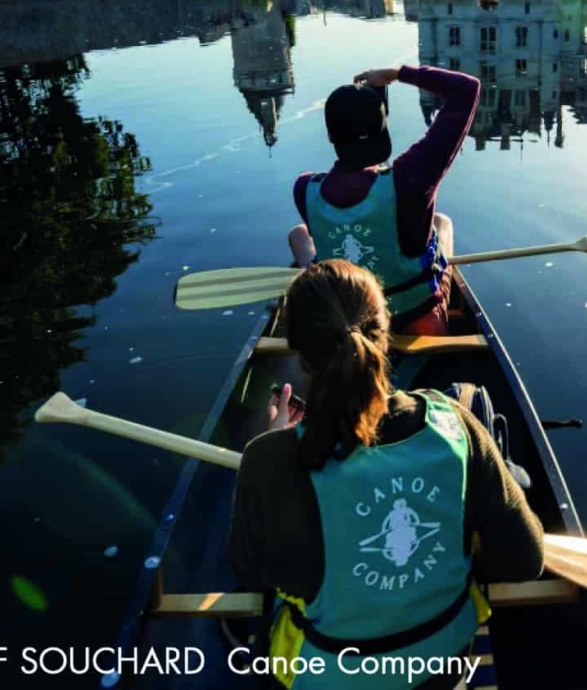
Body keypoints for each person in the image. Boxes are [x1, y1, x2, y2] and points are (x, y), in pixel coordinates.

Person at [227, 259, 544, 690]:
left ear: (298, 355)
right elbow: (526, 559)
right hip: (443, 668)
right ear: (386, 332)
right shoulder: (457, 425)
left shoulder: (268, 458)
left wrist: (274, 444)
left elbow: (251, 574)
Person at [288, 64, 480, 335]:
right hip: (416, 321)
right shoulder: (410, 177)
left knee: (298, 234)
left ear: (331, 135)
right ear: (383, 128)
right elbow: (466, 89)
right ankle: (438, 281)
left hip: (346, 317)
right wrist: (397, 73)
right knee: (441, 223)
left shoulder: (304, 188)